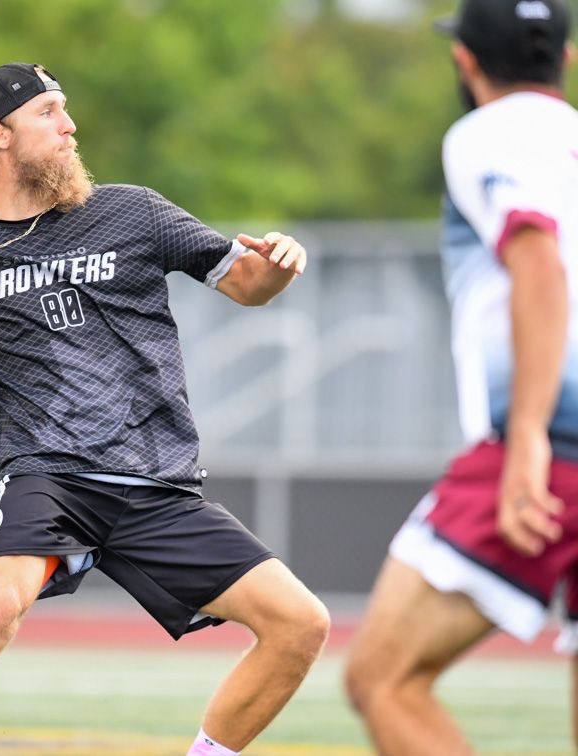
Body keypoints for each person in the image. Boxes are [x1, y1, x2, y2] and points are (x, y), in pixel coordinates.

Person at [0, 62, 329, 756]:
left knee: (301, 624)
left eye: (65, 109)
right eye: (48, 112)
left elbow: (249, 284)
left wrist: (277, 265)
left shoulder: (135, 212)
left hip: (156, 484)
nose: (70, 126)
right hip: (46, 476)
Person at [345, 1, 578, 752]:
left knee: (382, 679)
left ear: (465, 60)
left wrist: (529, 434)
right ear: (565, 60)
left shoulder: (487, 133)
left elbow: (537, 258)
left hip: (556, 447)